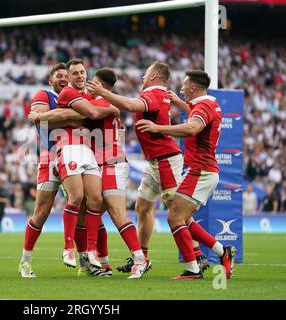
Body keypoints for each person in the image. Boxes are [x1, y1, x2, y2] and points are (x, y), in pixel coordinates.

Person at [88, 61, 209, 274]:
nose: (143, 76)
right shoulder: (160, 94)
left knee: (177, 213)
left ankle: (198, 257)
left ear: (153, 75)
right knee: (142, 207)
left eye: (146, 73)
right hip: (155, 162)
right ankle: (143, 257)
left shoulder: (153, 93)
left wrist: (103, 93)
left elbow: (132, 106)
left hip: (165, 160)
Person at [35, 68, 148, 279]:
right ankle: (99, 261)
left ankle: (140, 259)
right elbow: (69, 115)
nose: (88, 84)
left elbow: (76, 113)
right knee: (88, 213)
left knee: (116, 212)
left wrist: (39, 115)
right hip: (98, 163)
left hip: (112, 162)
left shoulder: (104, 102)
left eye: (92, 82)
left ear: (102, 86)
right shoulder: (94, 100)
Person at [136, 70, 236, 280]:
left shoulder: (204, 106)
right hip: (201, 170)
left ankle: (193, 268)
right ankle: (221, 251)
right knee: (182, 217)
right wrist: (178, 103)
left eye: (183, 84)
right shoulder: (209, 104)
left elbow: (192, 128)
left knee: (175, 217)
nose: (180, 88)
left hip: (201, 171)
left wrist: (158, 127)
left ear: (193, 87)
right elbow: (194, 116)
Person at [29, 59, 119, 270]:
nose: (77, 76)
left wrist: (91, 111)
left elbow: (83, 114)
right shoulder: (55, 94)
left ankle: (91, 259)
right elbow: (88, 114)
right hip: (56, 153)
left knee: (92, 202)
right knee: (49, 209)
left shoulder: (85, 95)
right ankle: (37, 256)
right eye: (68, 74)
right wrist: (98, 110)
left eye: (82, 72)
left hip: (87, 151)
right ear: (56, 79)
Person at [19, 63, 69, 277]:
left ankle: (84, 257)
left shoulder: (74, 96)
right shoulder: (43, 94)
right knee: (41, 212)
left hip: (72, 157)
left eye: (66, 75)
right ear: (51, 80)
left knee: (82, 205)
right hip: (49, 158)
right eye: (59, 76)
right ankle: (25, 261)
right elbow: (39, 116)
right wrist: (71, 113)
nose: (63, 78)